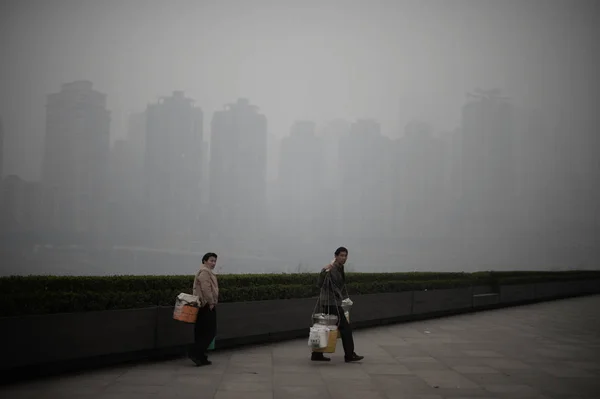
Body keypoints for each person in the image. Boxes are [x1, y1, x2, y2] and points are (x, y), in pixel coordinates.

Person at [311, 246, 364, 363]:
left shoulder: (340, 268)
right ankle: (349, 355)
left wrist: (345, 298)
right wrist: (323, 271)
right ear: (336, 256)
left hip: (330, 302)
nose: (343, 258)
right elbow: (320, 283)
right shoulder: (331, 268)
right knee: (345, 328)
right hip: (331, 302)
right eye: (341, 255)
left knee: (323, 328)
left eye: (345, 256)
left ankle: (316, 354)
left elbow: (341, 286)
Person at [189, 252, 219, 366]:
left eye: (215, 261)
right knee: (210, 331)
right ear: (205, 261)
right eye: (211, 260)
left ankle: (200, 357)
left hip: (203, 305)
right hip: (206, 305)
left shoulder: (206, 272)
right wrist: (211, 302)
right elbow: (206, 289)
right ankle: (195, 352)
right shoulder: (205, 272)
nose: (213, 263)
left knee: (202, 332)